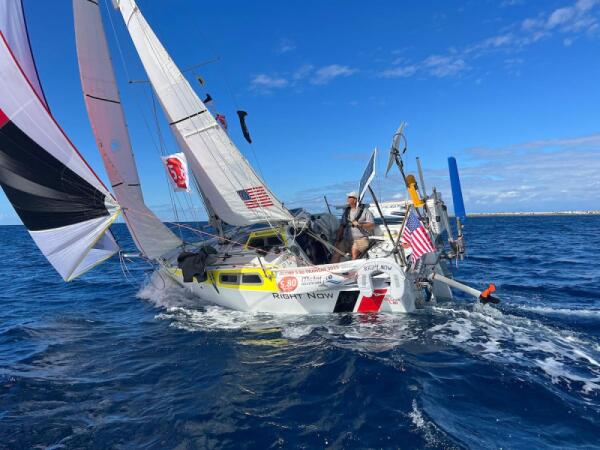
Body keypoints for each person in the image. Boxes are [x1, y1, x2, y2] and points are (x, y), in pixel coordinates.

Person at [330, 192, 375, 263]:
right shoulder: (346, 212)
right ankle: (332, 268)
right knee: (336, 253)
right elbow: (342, 226)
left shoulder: (366, 211)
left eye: (350, 197)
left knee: (354, 251)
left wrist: (361, 225)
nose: (347, 199)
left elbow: (372, 225)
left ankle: (353, 268)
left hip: (361, 239)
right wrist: (337, 240)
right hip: (347, 240)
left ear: (355, 200)